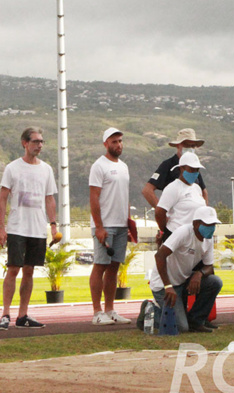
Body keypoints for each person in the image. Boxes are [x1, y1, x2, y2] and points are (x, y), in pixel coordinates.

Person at [0, 127, 58, 330]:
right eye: (35, 141)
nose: (39, 145)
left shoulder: (46, 169)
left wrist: (53, 225)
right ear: (25, 143)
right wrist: (1, 228)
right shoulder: (12, 168)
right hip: (16, 227)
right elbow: (3, 199)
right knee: (13, 269)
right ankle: (5, 314)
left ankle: (23, 315)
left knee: (29, 271)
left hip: (37, 228)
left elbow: (50, 199)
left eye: (41, 141)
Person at [149, 206, 224, 333]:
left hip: (182, 282)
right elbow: (160, 256)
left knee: (215, 282)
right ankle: (150, 311)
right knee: (181, 327)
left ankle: (196, 321)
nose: (211, 228)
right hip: (164, 285)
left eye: (214, 224)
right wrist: (167, 286)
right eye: (208, 224)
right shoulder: (183, 232)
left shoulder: (208, 239)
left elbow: (209, 266)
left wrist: (199, 274)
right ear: (195, 223)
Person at [88, 127, 133, 326]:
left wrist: (129, 223)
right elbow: (94, 197)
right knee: (100, 266)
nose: (118, 145)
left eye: (120, 141)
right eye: (114, 141)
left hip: (121, 225)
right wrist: (99, 226)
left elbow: (123, 196)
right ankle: (97, 312)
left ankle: (110, 309)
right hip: (105, 225)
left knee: (114, 267)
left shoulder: (124, 166)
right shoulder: (99, 166)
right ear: (106, 143)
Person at [142, 128, 208, 239]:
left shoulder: (195, 166)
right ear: (179, 146)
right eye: (187, 145)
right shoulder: (168, 165)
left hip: (193, 227)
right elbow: (147, 190)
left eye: (193, 146)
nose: (190, 149)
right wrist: (163, 213)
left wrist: (204, 215)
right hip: (175, 226)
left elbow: (204, 191)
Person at [155, 152, 207, 242]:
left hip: (193, 238)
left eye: (197, 170)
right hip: (177, 237)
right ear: (181, 168)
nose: (195, 172)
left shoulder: (197, 188)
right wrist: (164, 231)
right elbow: (159, 212)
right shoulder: (173, 188)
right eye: (191, 169)